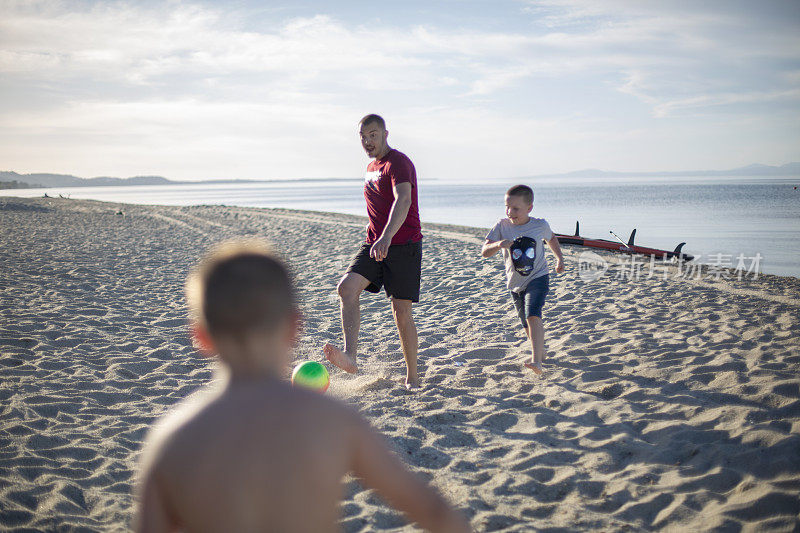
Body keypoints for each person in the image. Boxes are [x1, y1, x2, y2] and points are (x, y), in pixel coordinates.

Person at [135, 241, 470, 533]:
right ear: (293, 327)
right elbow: (433, 513)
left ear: (201, 338)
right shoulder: (332, 420)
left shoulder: (170, 436)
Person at [324, 114, 423, 389]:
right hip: (375, 242)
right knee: (346, 288)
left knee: (401, 312)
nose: (367, 141)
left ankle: (412, 377)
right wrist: (379, 238)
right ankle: (350, 356)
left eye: (373, 135)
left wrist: (387, 237)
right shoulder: (371, 166)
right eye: (363, 137)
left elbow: (403, 200)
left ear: (385, 133)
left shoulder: (398, 163)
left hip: (403, 245)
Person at [481, 185, 565, 374]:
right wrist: (498, 244)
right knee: (525, 322)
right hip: (515, 283)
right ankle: (541, 353)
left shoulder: (539, 225)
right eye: (507, 206)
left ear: (529, 208)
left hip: (538, 277)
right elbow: (484, 251)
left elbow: (551, 238)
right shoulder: (501, 226)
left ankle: (537, 362)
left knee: (532, 314)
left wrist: (559, 258)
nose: (510, 212)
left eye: (515, 208)